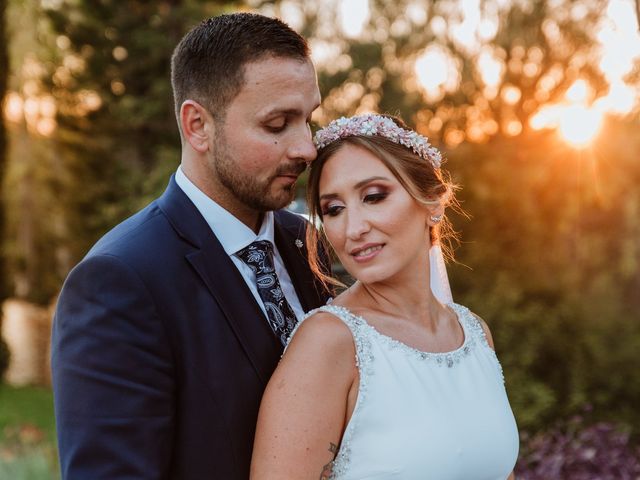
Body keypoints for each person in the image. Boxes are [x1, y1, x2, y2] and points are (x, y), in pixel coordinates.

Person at [51, 13, 331, 479]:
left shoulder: (307, 241)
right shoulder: (118, 281)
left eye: (309, 119)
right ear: (197, 125)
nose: (306, 148)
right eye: (278, 123)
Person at [251, 113, 519, 479]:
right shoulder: (329, 344)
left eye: (374, 197)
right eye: (334, 209)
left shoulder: (474, 334)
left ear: (433, 202)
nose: (353, 229)